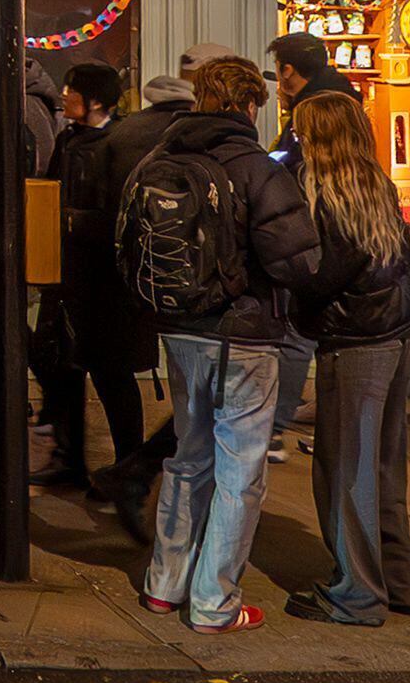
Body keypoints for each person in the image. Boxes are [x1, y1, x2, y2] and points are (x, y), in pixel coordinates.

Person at [124, 51, 308, 642]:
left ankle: (164, 581)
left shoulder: (161, 156)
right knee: (241, 469)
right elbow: (297, 258)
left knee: (189, 452)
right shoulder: (257, 167)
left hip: (177, 327)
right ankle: (213, 601)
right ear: (252, 103)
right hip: (244, 333)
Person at [283, 84, 410, 630]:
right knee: (383, 467)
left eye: (300, 130)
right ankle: (398, 582)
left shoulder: (321, 192)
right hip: (396, 332)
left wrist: (289, 295)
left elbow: (318, 276)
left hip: (356, 342)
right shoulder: (376, 184)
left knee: (347, 471)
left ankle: (357, 596)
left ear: (318, 137)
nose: (293, 138)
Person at [43, 58, 154, 505]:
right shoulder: (68, 139)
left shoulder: (119, 144)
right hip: (67, 277)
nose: (64, 96)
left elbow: (120, 217)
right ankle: (69, 460)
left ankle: (129, 467)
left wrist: (70, 221)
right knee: (63, 367)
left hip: (107, 284)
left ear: (94, 101)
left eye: (71, 89)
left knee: (113, 377)